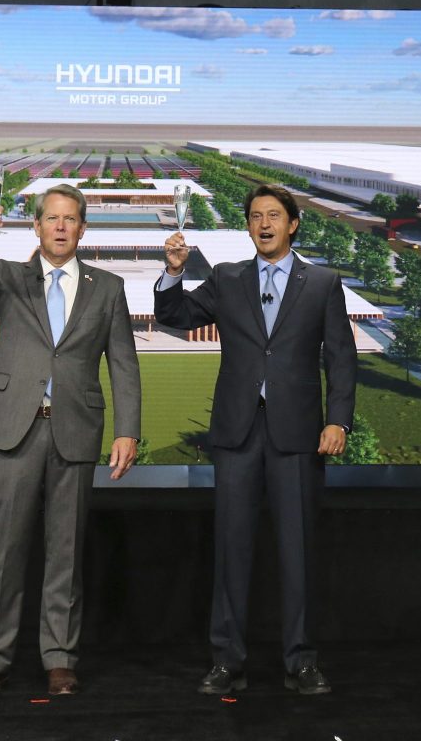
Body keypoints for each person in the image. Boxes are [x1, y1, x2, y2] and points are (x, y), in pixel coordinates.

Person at [155, 183, 356, 696]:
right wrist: (174, 273)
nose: (263, 223)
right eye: (254, 216)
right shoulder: (226, 278)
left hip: (298, 434)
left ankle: (301, 660)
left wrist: (338, 420)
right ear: (247, 226)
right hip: (238, 433)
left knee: (298, 551)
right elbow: (176, 317)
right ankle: (227, 660)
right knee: (232, 550)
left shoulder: (323, 283)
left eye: (273, 215)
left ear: (293, 224)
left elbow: (340, 358)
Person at [0, 183, 141, 699]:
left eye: (70, 219)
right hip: (16, 425)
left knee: (67, 552)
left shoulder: (108, 287)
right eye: (51, 218)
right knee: (5, 550)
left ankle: (59, 659)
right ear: (36, 227)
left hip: (75, 429)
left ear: (83, 228)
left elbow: (123, 362)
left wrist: (128, 429)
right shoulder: (8, 277)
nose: (60, 226)